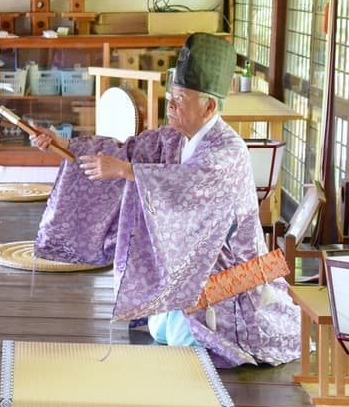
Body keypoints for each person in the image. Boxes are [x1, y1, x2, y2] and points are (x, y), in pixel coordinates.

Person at [30, 33, 300, 367]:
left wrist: (129, 172)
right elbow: (127, 150)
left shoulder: (228, 151)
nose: (170, 106)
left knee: (185, 340)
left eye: (179, 99)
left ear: (209, 106)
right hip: (186, 266)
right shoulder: (175, 137)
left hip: (224, 269)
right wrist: (64, 144)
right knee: (165, 331)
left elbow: (185, 183)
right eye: (170, 97)